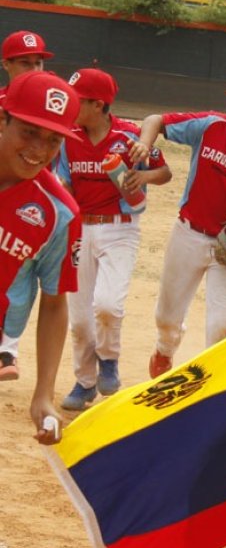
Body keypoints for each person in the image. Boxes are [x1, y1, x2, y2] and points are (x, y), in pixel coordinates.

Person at [127, 72, 226, 378]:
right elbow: (156, 119)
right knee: (167, 319)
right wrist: (144, 143)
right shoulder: (210, 125)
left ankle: (211, 385)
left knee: (223, 325)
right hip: (189, 234)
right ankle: (165, 351)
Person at [54, 68, 171, 410]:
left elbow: (164, 172)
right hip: (80, 229)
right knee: (78, 317)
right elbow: (64, 182)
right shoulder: (68, 137)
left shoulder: (129, 135)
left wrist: (141, 175)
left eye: (78, 100)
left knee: (107, 304)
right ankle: (84, 382)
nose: (71, 105)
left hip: (119, 226)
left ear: (99, 103)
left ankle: (108, 359)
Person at [0, 71, 82, 443]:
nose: (39, 148)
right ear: (3, 119)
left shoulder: (59, 213)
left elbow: (54, 302)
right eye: (29, 131)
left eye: (53, 140)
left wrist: (43, 395)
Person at [0, 30, 54, 380]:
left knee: (22, 277)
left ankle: (8, 350)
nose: (34, 68)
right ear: (7, 65)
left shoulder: (52, 103)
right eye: (25, 63)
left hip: (33, 204)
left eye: (38, 62)